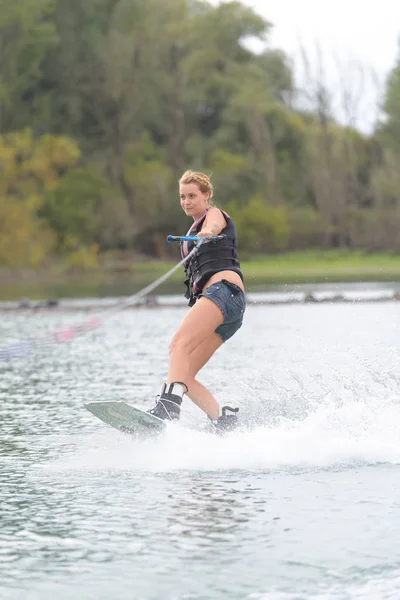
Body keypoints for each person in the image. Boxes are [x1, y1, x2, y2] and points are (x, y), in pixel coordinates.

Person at [148, 170, 246, 432]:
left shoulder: (215, 215)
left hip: (224, 292)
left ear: (206, 195)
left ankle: (168, 408)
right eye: (182, 197)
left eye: (192, 196)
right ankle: (222, 421)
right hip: (231, 310)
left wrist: (207, 232)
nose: (186, 201)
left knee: (178, 344)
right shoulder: (191, 229)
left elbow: (213, 225)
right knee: (185, 374)